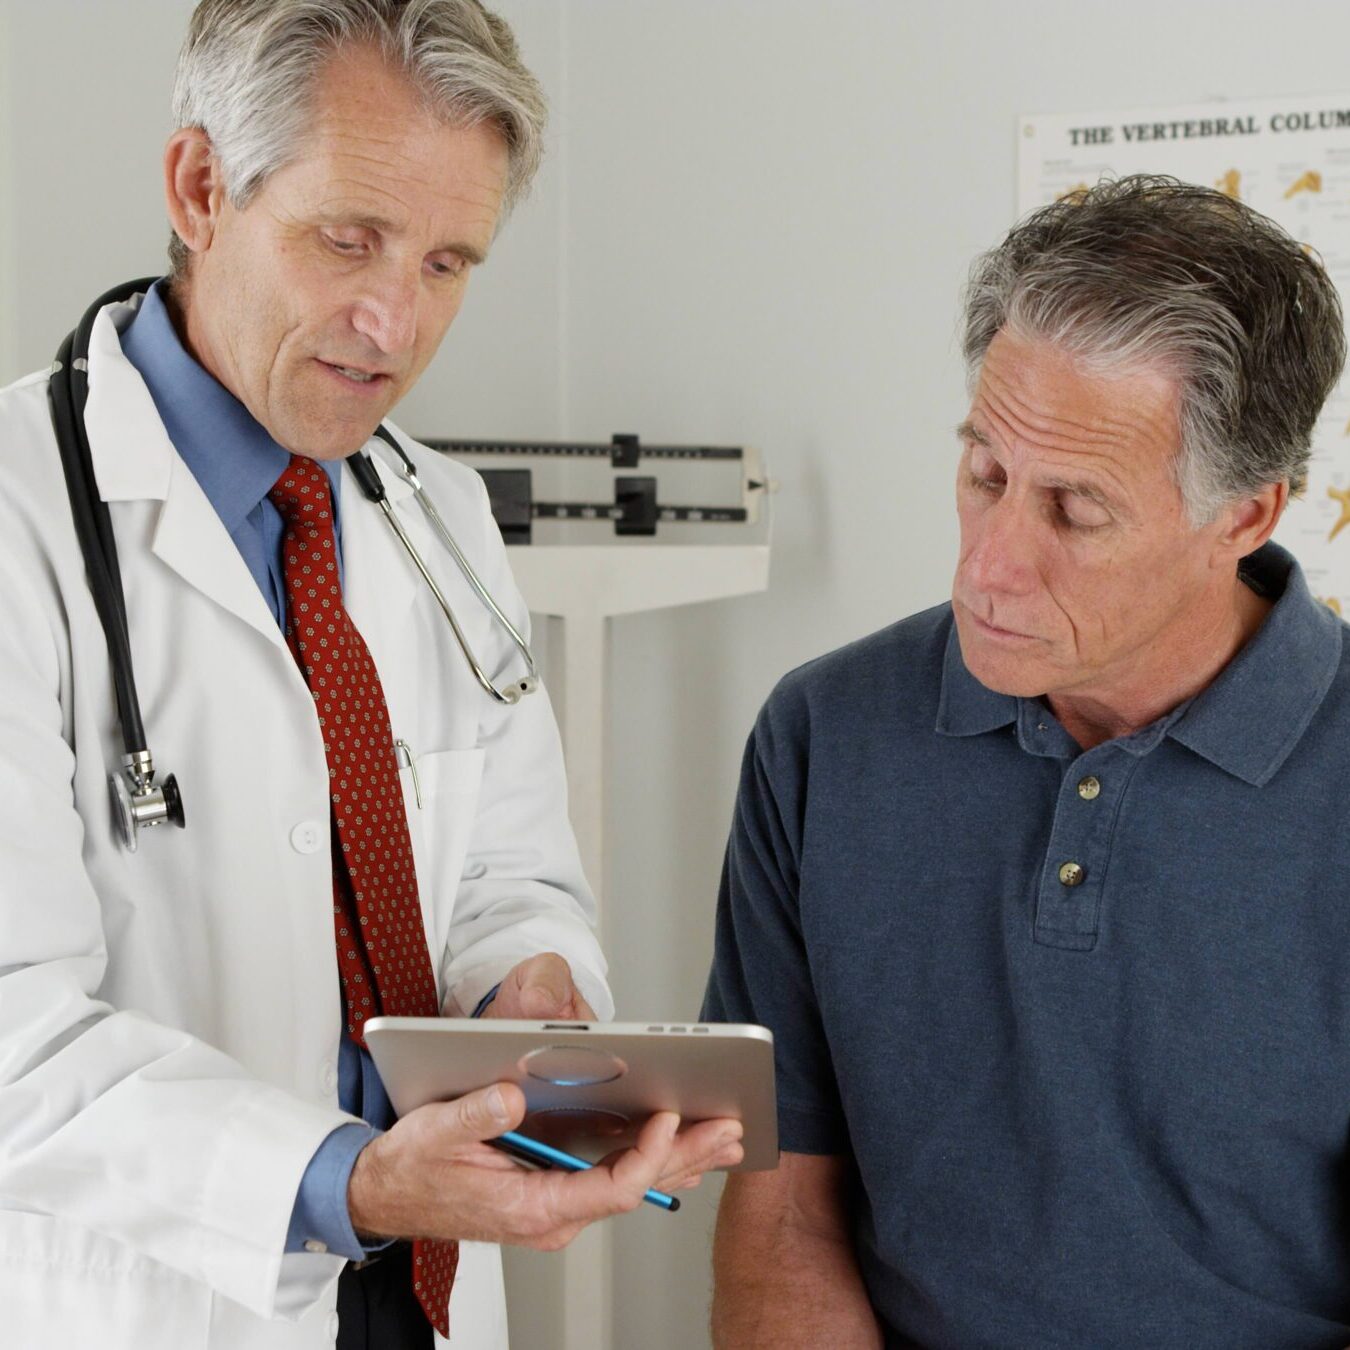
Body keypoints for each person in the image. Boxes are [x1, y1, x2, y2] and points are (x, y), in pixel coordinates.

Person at [0, 3, 740, 1348]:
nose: (394, 319)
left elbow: (509, 869)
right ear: (201, 187)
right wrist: (347, 1178)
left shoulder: (435, 517)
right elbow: (14, 1035)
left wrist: (526, 990)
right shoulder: (20, 522)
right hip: (160, 1302)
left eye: (448, 262)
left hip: (420, 1296)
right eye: (348, 239)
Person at [702, 174, 1350, 1349]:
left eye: (1075, 511)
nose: (987, 569)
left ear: (1246, 516)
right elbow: (783, 1209)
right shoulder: (824, 734)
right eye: (986, 475)